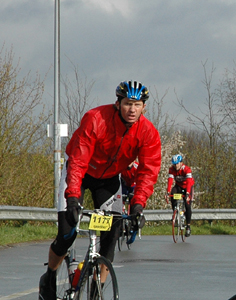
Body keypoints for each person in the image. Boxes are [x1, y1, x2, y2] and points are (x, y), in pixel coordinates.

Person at [39, 80, 162, 300]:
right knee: (67, 234)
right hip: (81, 172)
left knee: (111, 237)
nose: (131, 109)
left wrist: (138, 205)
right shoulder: (96, 119)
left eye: (137, 104)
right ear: (118, 104)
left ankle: (96, 292)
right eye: (127, 103)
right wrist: (74, 197)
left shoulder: (149, 133)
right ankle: (48, 276)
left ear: (144, 106)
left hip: (109, 179)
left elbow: (148, 172)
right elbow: (77, 161)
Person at [165, 154, 195, 237]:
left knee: (187, 205)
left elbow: (189, 182)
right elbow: (170, 180)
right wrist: (167, 192)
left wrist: (188, 194)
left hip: (188, 187)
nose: (175, 166)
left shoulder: (187, 169)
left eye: (177, 163)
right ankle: (175, 212)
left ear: (181, 163)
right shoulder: (171, 169)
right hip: (178, 186)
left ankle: (188, 226)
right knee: (172, 194)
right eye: (174, 164)